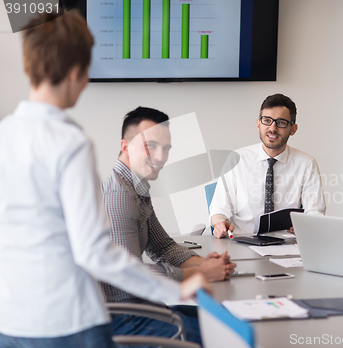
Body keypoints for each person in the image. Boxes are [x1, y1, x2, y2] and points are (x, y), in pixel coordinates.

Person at [0, 12, 209, 348]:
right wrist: (176, 288)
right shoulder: (70, 143)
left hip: (11, 321)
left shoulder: (4, 134)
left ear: (29, 66)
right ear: (76, 74)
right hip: (68, 321)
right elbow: (93, 251)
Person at [101, 106, 237, 344]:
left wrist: (208, 264)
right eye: (150, 146)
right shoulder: (118, 196)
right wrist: (200, 273)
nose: (161, 157)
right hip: (126, 318)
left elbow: (163, 247)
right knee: (227, 336)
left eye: (165, 148)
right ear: (125, 147)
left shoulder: (136, 186)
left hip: (145, 308)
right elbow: (129, 278)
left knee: (229, 320)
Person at [209, 93, 326, 238]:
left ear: (293, 129)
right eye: (267, 120)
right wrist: (220, 222)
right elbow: (219, 208)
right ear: (258, 124)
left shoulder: (306, 164)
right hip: (242, 240)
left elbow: (315, 212)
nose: (273, 128)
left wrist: (308, 225)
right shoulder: (236, 159)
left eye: (281, 122)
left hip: (286, 243)